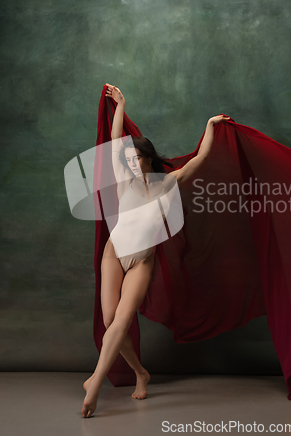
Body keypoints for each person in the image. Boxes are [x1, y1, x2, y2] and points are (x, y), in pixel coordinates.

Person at [81, 84, 230, 417]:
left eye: (137, 159)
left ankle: (95, 383)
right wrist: (121, 104)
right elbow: (115, 141)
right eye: (129, 160)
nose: (132, 164)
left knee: (120, 321)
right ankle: (140, 372)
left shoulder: (170, 182)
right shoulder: (123, 179)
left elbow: (201, 159)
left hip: (141, 263)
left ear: (148, 159)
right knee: (110, 322)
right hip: (114, 254)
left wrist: (210, 125)